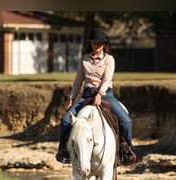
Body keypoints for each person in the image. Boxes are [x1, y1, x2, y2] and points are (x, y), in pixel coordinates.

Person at [56, 28, 137, 165]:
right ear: (91, 44)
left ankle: (127, 149)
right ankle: (64, 150)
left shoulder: (109, 59)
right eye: (94, 43)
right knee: (65, 121)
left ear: (104, 44)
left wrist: (100, 94)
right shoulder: (84, 59)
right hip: (86, 94)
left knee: (126, 121)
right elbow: (77, 82)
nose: (96, 46)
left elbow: (107, 79)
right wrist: (71, 99)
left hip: (106, 95)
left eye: (99, 43)